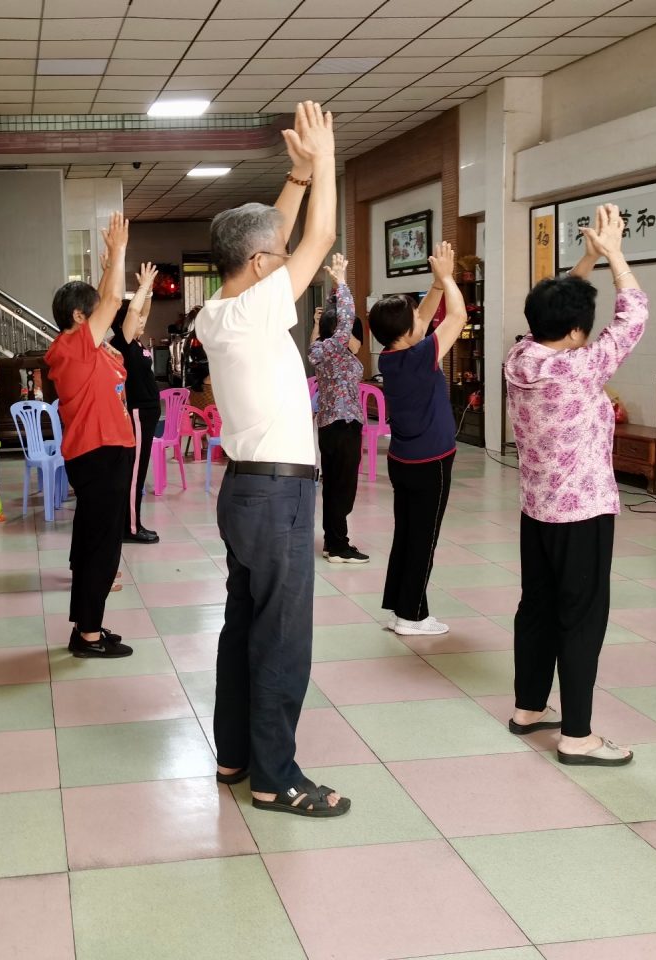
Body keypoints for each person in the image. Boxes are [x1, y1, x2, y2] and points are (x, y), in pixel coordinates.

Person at [198, 101, 349, 818]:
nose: (291, 262)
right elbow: (318, 232)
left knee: (243, 628)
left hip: (244, 492)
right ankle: (276, 777)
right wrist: (326, 163)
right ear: (260, 265)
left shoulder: (217, 309)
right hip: (279, 497)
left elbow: (286, 235)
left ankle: (234, 755)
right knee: (283, 638)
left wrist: (292, 176)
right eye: (278, 257)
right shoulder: (259, 308)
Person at [505, 203, 642, 768]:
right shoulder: (583, 366)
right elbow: (632, 317)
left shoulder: (522, 355)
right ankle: (579, 736)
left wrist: (584, 262)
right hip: (582, 513)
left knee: (536, 606)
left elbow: (555, 311)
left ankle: (530, 708)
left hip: (536, 511)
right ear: (578, 330)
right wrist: (615, 257)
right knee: (582, 617)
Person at [46, 212, 137, 659]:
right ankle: (88, 635)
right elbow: (114, 299)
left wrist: (107, 264)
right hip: (98, 455)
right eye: (96, 311)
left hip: (108, 453)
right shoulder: (73, 347)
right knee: (101, 545)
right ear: (80, 317)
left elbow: (111, 299)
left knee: (94, 541)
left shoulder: (91, 348)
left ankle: (87, 625)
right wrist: (117, 252)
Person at [369, 241, 467, 638]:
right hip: (431, 463)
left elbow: (423, 320)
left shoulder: (390, 356)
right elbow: (457, 317)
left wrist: (437, 286)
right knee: (424, 540)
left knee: (407, 535)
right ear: (406, 332)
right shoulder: (419, 356)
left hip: (404, 461)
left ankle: (404, 609)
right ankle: (412, 617)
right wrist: (447, 279)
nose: (419, 319)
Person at [308, 252, 368, 564]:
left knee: (333, 486)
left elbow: (332, 325)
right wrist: (342, 283)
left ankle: (334, 542)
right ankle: (338, 545)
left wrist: (322, 318)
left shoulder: (319, 349)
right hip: (344, 426)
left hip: (328, 426)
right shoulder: (335, 348)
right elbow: (345, 319)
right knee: (343, 489)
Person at [110, 262, 161, 544]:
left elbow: (140, 312)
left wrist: (149, 293)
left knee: (139, 472)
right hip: (138, 414)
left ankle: (131, 522)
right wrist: (141, 288)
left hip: (147, 414)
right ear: (125, 323)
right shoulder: (123, 342)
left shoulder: (137, 343)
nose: (142, 319)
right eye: (137, 318)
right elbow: (133, 312)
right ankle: (130, 528)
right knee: (135, 475)